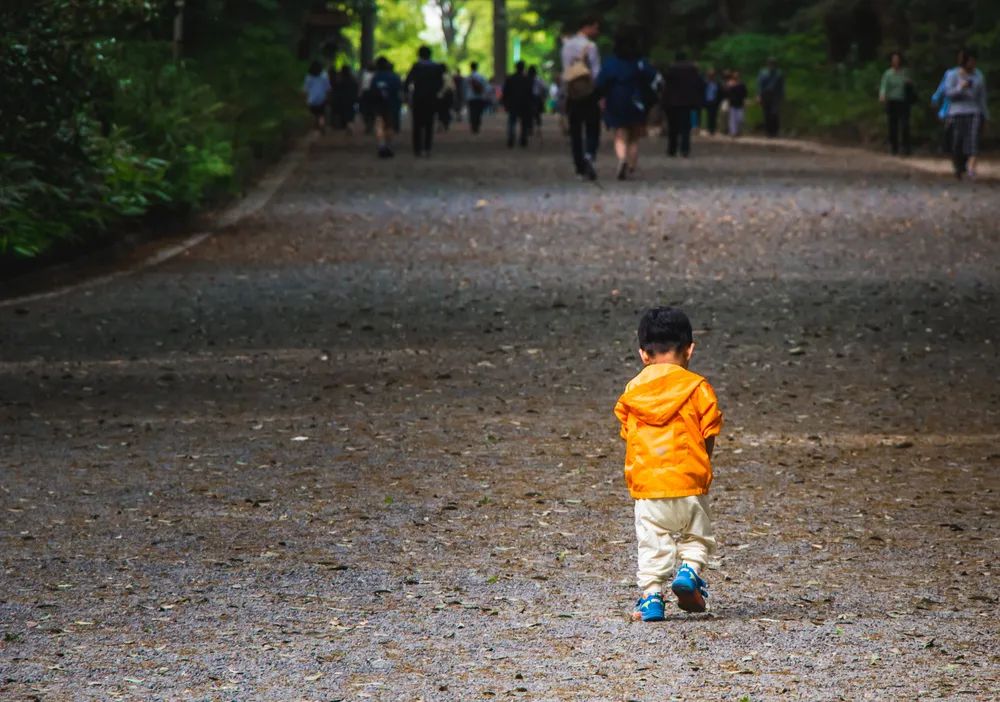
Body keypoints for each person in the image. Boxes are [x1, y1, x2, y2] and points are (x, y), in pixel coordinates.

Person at [615, 307, 723, 621]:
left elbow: (629, 436)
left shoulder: (633, 391)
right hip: (689, 481)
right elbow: (709, 433)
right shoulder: (698, 388)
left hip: (648, 487)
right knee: (697, 536)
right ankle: (688, 572)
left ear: (643, 354)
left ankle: (651, 598)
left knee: (652, 543)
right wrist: (702, 466)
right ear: (689, 349)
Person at [595, 28, 658, 180]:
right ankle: (631, 165)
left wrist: (601, 97)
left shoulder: (611, 62)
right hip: (637, 99)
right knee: (634, 137)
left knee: (620, 134)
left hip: (616, 98)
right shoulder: (640, 62)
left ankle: (622, 158)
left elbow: (601, 82)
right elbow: (653, 77)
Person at [560, 16, 602, 180]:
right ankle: (589, 155)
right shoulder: (590, 46)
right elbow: (596, 71)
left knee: (575, 130)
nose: (597, 32)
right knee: (593, 127)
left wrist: (564, 94)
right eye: (595, 27)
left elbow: (566, 71)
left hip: (572, 92)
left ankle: (579, 166)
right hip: (589, 93)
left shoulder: (566, 45)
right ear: (587, 27)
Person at [945, 49, 989, 179]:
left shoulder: (978, 76)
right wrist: (960, 87)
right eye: (970, 60)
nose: (972, 63)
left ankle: (972, 167)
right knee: (958, 140)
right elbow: (948, 93)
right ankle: (959, 166)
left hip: (974, 110)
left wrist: (985, 115)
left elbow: (982, 97)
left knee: (973, 139)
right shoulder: (952, 74)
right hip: (957, 112)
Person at [405, 46, 446, 157]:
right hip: (431, 99)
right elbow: (441, 83)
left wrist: (406, 95)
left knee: (417, 125)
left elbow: (408, 81)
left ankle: (417, 149)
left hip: (418, 98)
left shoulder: (416, 66)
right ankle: (427, 148)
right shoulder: (436, 67)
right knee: (429, 124)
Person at [662, 51, 704, 157]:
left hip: (672, 102)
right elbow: (699, 84)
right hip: (687, 102)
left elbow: (666, 86)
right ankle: (685, 149)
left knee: (673, 127)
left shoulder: (671, 69)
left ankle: (672, 149)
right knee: (686, 127)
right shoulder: (692, 70)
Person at [879, 52, 913, 155]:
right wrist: (883, 95)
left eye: (897, 59)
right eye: (894, 59)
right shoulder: (888, 74)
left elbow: (911, 85)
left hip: (903, 101)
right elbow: (884, 86)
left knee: (904, 125)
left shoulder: (905, 72)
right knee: (892, 126)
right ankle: (894, 147)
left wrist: (909, 83)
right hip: (892, 101)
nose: (896, 61)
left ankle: (905, 147)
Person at [370, 56, 403, 158]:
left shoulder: (376, 77)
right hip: (391, 104)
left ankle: (381, 145)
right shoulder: (394, 77)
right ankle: (388, 145)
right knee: (389, 125)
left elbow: (372, 91)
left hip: (378, 104)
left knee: (379, 124)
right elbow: (399, 91)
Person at [502, 61, 534, 148]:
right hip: (524, 103)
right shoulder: (527, 79)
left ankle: (511, 138)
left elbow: (505, 92)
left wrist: (505, 102)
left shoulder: (510, 79)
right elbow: (530, 93)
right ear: (523, 68)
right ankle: (523, 139)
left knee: (512, 121)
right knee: (523, 122)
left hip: (513, 103)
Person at [757, 57, 784, 137]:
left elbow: (781, 86)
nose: (771, 65)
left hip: (775, 95)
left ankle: (775, 131)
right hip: (765, 94)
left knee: (774, 113)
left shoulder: (779, 73)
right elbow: (759, 85)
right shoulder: (763, 72)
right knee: (766, 113)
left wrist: (782, 95)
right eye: (770, 63)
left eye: (773, 64)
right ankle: (768, 132)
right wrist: (759, 95)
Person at [302, 60, 331, 133]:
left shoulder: (308, 77)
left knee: (314, 114)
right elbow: (328, 88)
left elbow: (305, 89)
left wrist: (305, 99)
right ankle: (321, 125)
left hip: (311, 99)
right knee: (321, 114)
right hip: (322, 98)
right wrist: (328, 97)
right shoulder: (324, 75)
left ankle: (316, 128)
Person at [465, 61, 491, 134]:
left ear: (470, 67)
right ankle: (477, 125)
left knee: (472, 112)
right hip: (480, 98)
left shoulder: (468, 77)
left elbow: (465, 88)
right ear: (477, 67)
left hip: (471, 98)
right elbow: (487, 87)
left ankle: (473, 125)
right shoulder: (481, 77)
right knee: (478, 113)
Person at [331, 65, 359, 132]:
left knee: (344, 115)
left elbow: (336, 91)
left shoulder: (339, 81)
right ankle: (350, 126)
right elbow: (356, 90)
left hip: (342, 101)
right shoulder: (353, 80)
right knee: (350, 115)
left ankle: (348, 126)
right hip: (351, 100)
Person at [725, 71, 748, 137]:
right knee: (732, 119)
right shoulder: (730, 84)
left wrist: (745, 101)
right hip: (732, 104)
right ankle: (733, 132)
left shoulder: (742, 85)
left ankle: (738, 131)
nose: (736, 77)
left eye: (737, 76)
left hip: (740, 104)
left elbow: (745, 94)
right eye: (735, 76)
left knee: (740, 119)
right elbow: (727, 94)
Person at [702, 68, 723, 135]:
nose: (711, 76)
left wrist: (719, 100)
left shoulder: (717, 83)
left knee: (714, 115)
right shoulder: (705, 82)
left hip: (715, 101)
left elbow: (720, 92)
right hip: (708, 101)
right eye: (710, 75)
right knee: (709, 115)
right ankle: (709, 128)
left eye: (712, 75)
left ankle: (712, 129)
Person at [528, 65, 546, 131]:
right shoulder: (538, 79)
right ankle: (538, 127)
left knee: (530, 113)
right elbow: (544, 88)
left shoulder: (527, 79)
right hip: (536, 98)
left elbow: (543, 88)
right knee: (537, 113)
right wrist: (543, 97)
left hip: (530, 98)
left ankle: (531, 127)